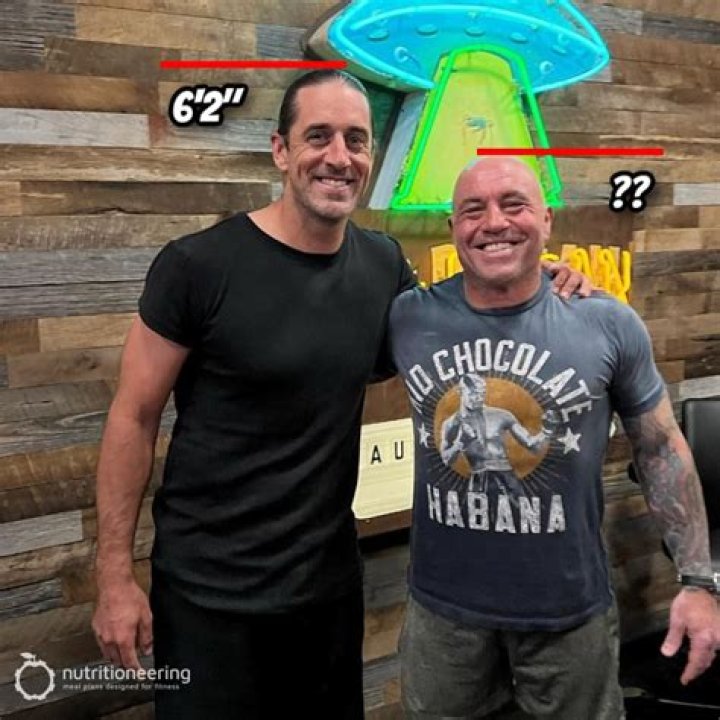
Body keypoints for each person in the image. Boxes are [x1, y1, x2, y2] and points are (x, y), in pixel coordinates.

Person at [91, 71, 588, 720]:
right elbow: (132, 417)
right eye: (317, 136)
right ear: (280, 150)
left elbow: (457, 324)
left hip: (325, 592)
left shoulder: (382, 266)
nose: (339, 156)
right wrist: (113, 576)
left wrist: (535, 277)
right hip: (208, 596)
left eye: (356, 139)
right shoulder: (198, 266)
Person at [389, 157, 720, 720]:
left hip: (569, 613)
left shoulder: (606, 322)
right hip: (442, 614)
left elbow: (660, 447)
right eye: (473, 209)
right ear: (453, 228)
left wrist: (697, 581)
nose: (494, 222)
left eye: (514, 204)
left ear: (547, 221)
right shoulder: (408, 317)